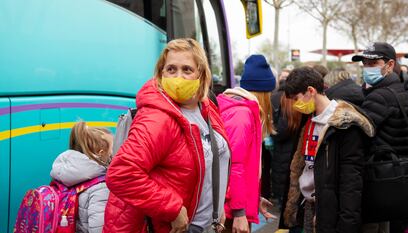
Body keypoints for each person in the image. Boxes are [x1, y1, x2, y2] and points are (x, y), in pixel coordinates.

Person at [103, 38, 231, 233]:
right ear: (161, 74)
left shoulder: (206, 108)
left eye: (187, 69)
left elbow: (217, 159)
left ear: (201, 75)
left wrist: (218, 204)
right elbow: (121, 173)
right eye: (171, 69)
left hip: (205, 225)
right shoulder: (158, 118)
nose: (178, 76)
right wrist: (171, 209)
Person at [282, 67, 375, 233]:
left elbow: (350, 183)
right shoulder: (308, 120)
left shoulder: (344, 125)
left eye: (296, 99)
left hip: (330, 211)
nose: (296, 106)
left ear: (311, 91)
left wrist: (345, 224)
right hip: (308, 206)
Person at [352, 42, 408, 233]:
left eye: (373, 63)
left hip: (378, 177)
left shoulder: (380, 96)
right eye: (365, 64)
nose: (367, 68)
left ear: (389, 65)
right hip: (394, 177)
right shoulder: (399, 90)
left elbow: (359, 137)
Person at [217, 54, 277, 233]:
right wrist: (239, 212)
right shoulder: (241, 115)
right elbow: (234, 166)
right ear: (264, 92)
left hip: (232, 208)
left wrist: (254, 199)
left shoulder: (240, 110)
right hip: (230, 213)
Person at [50, 121, 113, 233]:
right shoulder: (101, 188)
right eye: (111, 150)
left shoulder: (63, 174)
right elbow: (98, 229)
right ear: (101, 153)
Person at [271, 71, 305, 233]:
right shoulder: (304, 110)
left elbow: (282, 130)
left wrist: (272, 131)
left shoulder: (285, 101)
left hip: (283, 159)